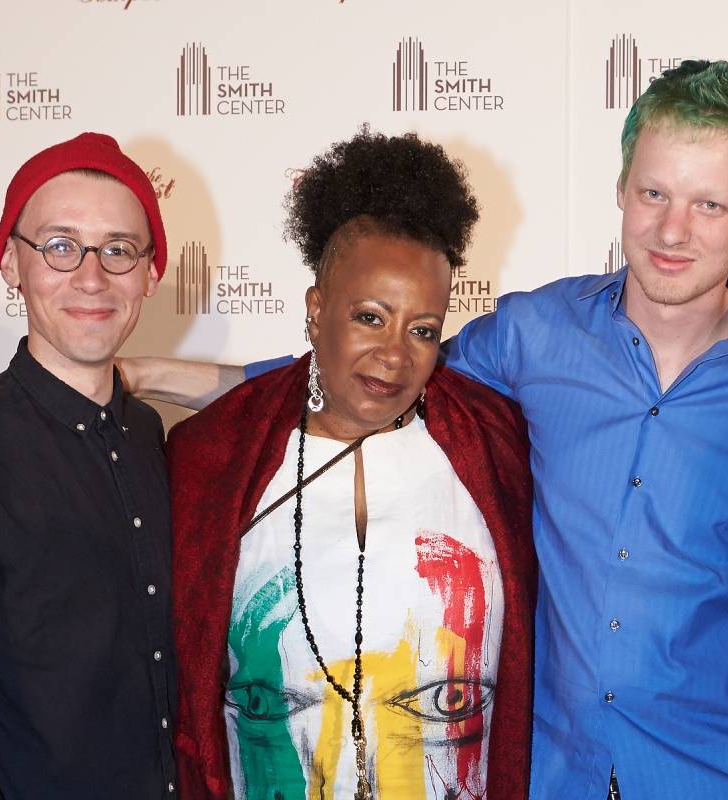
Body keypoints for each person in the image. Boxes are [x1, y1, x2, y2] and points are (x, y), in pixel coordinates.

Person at [123, 61, 728, 798]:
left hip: (718, 776)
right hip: (547, 773)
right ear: (622, 186)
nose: (673, 229)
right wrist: (162, 376)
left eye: (710, 203)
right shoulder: (535, 334)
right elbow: (373, 371)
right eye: (655, 192)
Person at [165, 129, 536, 800]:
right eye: (370, 317)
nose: (396, 356)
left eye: (422, 328)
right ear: (316, 311)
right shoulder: (213, 464)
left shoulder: (494, 448)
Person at [0, 133, 177, 797]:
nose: (92, 277)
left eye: (118, 250)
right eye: (60, 246)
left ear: (151, 272)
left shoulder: (149, 433)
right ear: (10, 263)